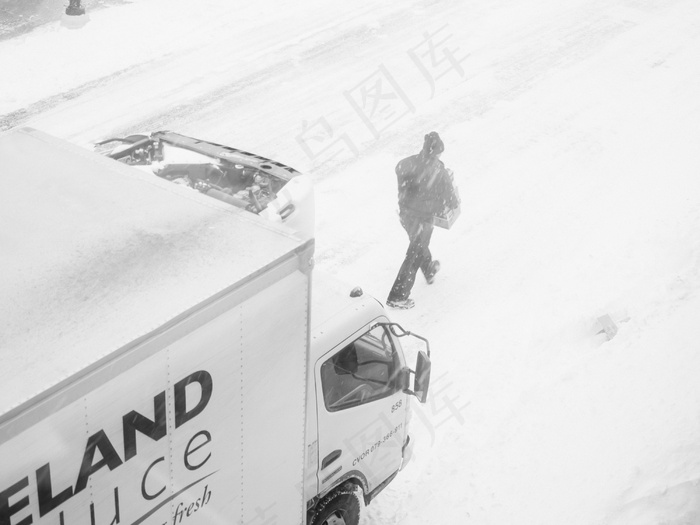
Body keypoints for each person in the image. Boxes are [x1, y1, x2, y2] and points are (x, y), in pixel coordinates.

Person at [386, 131, 459, 309]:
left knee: (417, 243)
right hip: (422, 218)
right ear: (437, 152)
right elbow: (451, 200)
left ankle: (428, 269)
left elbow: (399, 170)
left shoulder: (407, 163)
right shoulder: (439, 171)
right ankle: (397, 296)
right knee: (414, 254)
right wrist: (445, 185)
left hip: (405, 215)